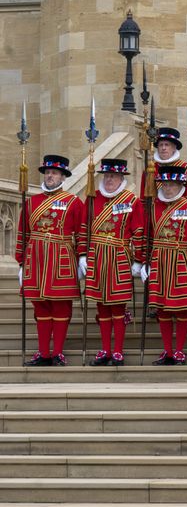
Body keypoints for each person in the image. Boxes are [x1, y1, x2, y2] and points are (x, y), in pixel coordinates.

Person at [18, 154, 86, 366]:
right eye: (47, 172)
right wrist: (21, 262)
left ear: (62, 177)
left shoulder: (74, 202)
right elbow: (23, 233)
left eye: (54, 173)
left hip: (62, 258)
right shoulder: (31, 202)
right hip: (35, 259)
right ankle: (43, 353)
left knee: (61, 307)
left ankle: (57, 352)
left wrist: (82, 256)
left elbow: (82, 232)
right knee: (40, 307)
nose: (49, 176)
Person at [84, 159, 146, 366]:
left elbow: (139, 232)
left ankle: (117, 351)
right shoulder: (93, 198)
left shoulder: (131, 200)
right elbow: (84, 229)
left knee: (118, 306)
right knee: (102, 307)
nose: (109, 179)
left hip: (119, 256)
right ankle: (105, 350)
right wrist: (82, 255)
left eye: (113, 176)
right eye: (107, 175)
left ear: (122, 178)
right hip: (97, 256)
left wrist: (139, 260)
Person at [143, 165, 187, 366]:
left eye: (173, 184)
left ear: (181, 185)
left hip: (181, 259)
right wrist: (145, 261)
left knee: (182, 308)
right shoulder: (153, 206)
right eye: (166, 184)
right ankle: (167, 350)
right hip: (159, 259)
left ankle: (179, 351)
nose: (168, 188)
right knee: (162, 308)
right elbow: (148, 237)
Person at [142, 127, 187, 203]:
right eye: (160, 145)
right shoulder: (149, 170)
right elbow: (143, 200)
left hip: (179, 212)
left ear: (174, 148)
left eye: (167, 145)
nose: (163, 148)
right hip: (155, 213)